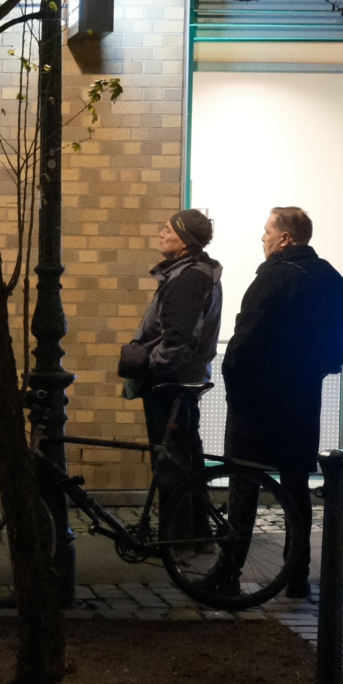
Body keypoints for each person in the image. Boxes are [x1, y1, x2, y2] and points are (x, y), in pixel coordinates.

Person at [220, 207, 343, 598]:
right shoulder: (331, 280)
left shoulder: (273, 278)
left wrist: (236, 387)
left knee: (243, 487)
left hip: (256, 404)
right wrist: (308, 372)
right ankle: (297, 573)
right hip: (302, 402)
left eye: (267, 231)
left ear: (284, 238)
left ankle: (228, 571)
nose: (262, 238)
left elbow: (244, 344)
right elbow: (337, 352)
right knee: (296, 490)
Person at [124, 209, 222, 539]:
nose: (161, 234)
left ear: (184, 241)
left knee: (172, 463)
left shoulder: (188, 278)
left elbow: (177, 340)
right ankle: (195, 533)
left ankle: (177, 539)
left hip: (170, 383)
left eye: (168, 230)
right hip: (181, 379)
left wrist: (151, 366)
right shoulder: (194, 272)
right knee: (186, 458)